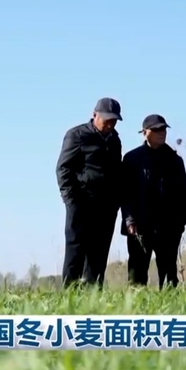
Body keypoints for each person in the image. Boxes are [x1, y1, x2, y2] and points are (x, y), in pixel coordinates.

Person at [55, 97, 124, 288]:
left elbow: (116, 171)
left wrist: (115, 202)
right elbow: (63, 169)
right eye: (107, 119)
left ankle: (93, 295)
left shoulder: (115, 140)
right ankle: (70, 294)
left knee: (99, 253)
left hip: (106, 206)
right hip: (81, 202)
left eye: (114, 120)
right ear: (95, 115)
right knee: (76, 250)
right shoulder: (76, 135)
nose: (110, 124)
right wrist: (71, 200)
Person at [121, 114, 186, 290]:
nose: (161, 133)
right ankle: (135, 304)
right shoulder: (132, 159)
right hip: (140, 226)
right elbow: (125, 193)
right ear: (145, 133)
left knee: (169, 274)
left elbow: (184, 193)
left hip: (169, 226)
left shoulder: (175, 160)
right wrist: (129, 219)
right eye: (156, 130)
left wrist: (181, 222)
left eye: (164, 129)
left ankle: (169, 304)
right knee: (137, 274)